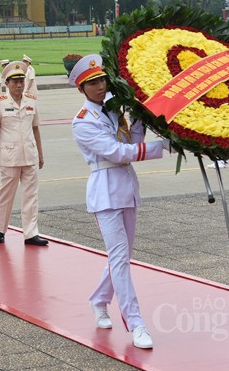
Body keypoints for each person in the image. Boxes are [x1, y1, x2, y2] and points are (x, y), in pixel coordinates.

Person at [69, 54, 167, 350]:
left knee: (121, 257)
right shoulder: (82, 122)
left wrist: (140, 113)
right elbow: (116, 152)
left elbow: (131, 138)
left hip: (126, 187)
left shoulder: (113, 111)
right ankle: (136, 323)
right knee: (121, 258)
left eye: (102, 80)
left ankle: (99, 300)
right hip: (105, 192)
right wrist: (162, 147)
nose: (100, 86)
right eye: (92, 83)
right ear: (81, 89)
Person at [0, 61, 47, 246]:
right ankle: (0, 229)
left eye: (21, 81)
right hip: (10, 157)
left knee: (31, 195)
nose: (19, 85)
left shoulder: (31, 100)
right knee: (6, 195)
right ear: (7, 83)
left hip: (29, 154)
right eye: (15, 82)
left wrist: (41, 153)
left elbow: (35, 128)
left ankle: (30, 233)